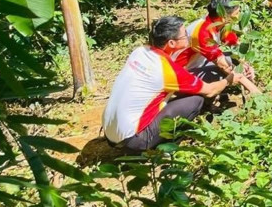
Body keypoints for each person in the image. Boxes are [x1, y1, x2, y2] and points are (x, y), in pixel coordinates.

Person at [102, 16, 247, 152]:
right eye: (185, 36)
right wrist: (228, 80)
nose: (188, 37)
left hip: (111, 133)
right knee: (196, 100)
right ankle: (165, 147)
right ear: (171, 43)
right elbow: (209, 90)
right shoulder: (166, 70)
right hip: (133, 140)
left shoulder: (140, 52)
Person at [179, 0, 261, 95]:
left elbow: (235, 46)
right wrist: (254, 90)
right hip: (184, 72)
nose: (239, 16)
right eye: (236, 13)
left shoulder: (219, 24)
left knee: (232, 59)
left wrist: (246, 65)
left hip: (201, 62)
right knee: (220, 71)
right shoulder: (202, 32)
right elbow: (223, 65)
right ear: (223, 15)